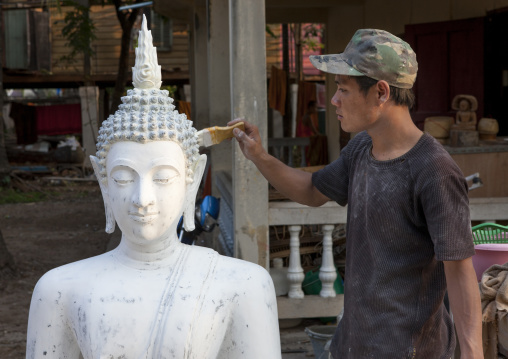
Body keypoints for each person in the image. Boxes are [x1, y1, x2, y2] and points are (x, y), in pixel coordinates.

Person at [26, 16, 281, 359]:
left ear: (192, 180)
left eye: (162, 178)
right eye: (123, 178)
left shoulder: (243, 285)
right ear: (104, 182)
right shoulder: (59, 291)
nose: (142, 199)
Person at [230, 29, 482, 358]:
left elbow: (460, 273)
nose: (333, 100)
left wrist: (472, 353)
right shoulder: (362, 147)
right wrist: (259, 156)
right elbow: (311, 190)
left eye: (343, 89)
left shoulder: (434, 171)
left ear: (380, 92)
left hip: (412, 350)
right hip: (354, 343)